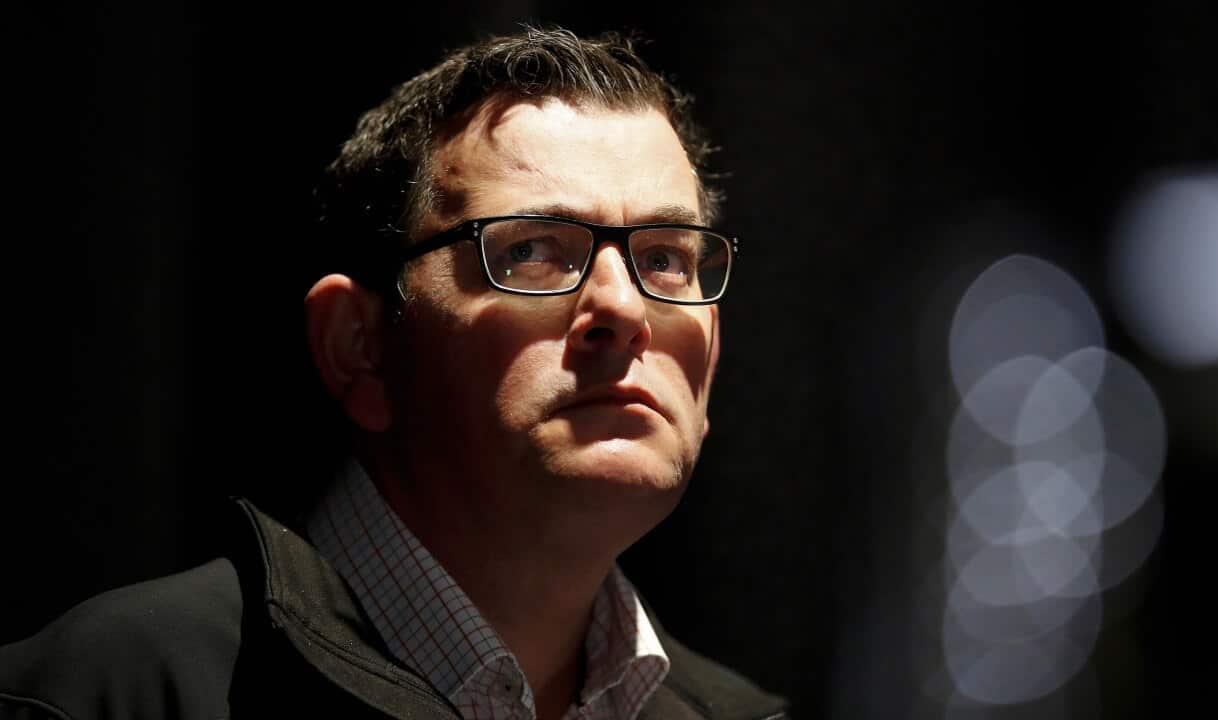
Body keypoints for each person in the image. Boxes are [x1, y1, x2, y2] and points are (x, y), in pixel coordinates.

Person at [0, 27, 788, 720]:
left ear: (710, 359)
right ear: (360, 346)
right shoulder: (102, 692)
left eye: (664, 258)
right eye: (531, 250)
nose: (623, 307)